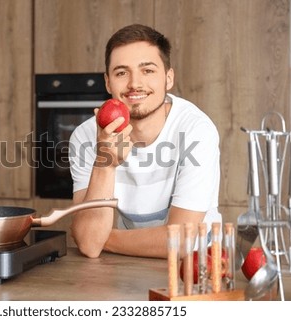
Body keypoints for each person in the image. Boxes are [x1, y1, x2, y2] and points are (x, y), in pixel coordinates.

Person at [68, 24, 221, 259]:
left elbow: (180, 241)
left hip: (197, 266)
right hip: (128, 263)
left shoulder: (196, 130)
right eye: (121, 73)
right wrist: (105, 163)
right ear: (108, 83)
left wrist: (103, 238)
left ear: (168, 78)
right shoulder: (85, 136)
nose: (134, 84)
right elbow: (89, 246)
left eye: (147, 70)